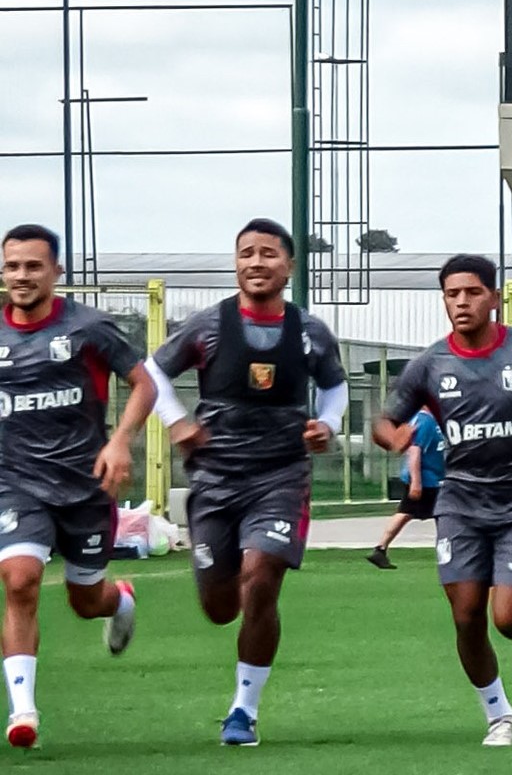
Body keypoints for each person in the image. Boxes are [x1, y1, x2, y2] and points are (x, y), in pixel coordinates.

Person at [144, 219, 348, 747]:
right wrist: (178, 422)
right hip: (214, 478)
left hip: (281, 475)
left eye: (268, 254)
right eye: (246, 254)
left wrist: (326, 424)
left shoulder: (310, 331)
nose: (256, 262)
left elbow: (335, 389)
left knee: (261, 579)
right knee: (220, 608)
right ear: (236, 263)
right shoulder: (208, 324)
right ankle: (223, 583)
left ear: (290, 266)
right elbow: (152, 371)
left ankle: (243, 711)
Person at [372, 255, 512, 747]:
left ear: (493, 297)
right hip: (461, 502)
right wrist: (397, 438)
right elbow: (383, 422)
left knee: (509, 622)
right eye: (453, 294)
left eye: (472, 292)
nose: (462, 302)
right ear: (444, 300)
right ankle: (498, 714)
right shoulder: (429, 364)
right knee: (466, 614)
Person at [0, 224, 157, 749]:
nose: (21, 276)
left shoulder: (89, 327)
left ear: (56, 272)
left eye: (33, 266)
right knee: (19, 580)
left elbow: (144, 383)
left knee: (85, 600)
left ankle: (121, 602)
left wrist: (119, 442)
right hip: (16, 484)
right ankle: (24, 712)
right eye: (12, 266)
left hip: (86, 487)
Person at [366, 407, 446, 569]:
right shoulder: (424, 421)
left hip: (434, 478)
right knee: (443, 514)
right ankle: (447, 552)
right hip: (426, 479)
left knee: (408, 513)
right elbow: (414, 451)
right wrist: (416, 482)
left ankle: (380, 550)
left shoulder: (435, 419)